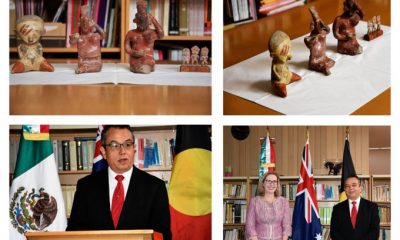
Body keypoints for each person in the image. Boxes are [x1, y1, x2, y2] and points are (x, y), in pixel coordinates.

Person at [67, 125, 171, 240]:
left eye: (128, 144)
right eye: (114, 145)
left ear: (134, 149)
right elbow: (74, 232)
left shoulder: (155, 187)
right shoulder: (86, 187)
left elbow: (163, 235)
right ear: (103, 152)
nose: (122, 152)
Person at [330, 175, 380, 240]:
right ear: (345, 189)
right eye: (347, 186)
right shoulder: (337, 208)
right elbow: (334, 232)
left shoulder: (372, 207)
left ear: (360, 188)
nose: (351, 188)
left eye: (354, 185)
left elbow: (375, 231)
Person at [245, 172, 291, 240]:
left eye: (274, 181)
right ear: (263, 183)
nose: (271, 184)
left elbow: (286, 225)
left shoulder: (284, 202)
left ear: (277, 184)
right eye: (268, 181)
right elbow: (250, 225)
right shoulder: (254, 201)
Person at [124, 0, 164, 74]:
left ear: (149, 22)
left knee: (148, 63)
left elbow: (161, 34)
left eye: (144, 21)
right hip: (135, 58)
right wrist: (133, 52)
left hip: (148, 57)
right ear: (135, 21)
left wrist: (153, 19)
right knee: (135, 64)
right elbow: (127, 47)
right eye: (139, 21)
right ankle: (138, 68)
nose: (142, 23)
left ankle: (145, 67)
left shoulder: (152, 33)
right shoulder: (131, 33)